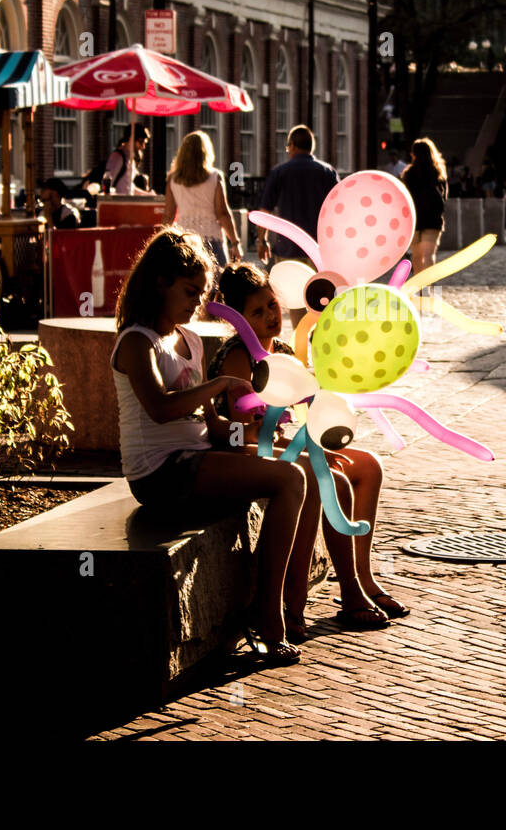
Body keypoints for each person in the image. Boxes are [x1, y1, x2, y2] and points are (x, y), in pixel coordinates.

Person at [110, 229, 315, 664]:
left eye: (201, 293)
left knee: (306, 468)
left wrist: (259, 439)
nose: (195, 303)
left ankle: (290, 607)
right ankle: (267, 615)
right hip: (161, 473)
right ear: (160, 282)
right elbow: (162, 410)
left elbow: (213, 428)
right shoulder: (136, 341)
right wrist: (220, 384)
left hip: (199, 456)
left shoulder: (190, 340)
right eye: (189, 291)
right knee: (290, 479)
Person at [207, 263, 405, 636]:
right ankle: (308, 598)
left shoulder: (281, 351)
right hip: (241, 453)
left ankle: (361, 577)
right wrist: (305, 448)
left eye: (271, 305)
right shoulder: (239, 358)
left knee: (368, 466)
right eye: (256, 312)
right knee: (330, 479)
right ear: (238, 320)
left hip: (282, 445)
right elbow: (244, 433)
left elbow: (310, 408)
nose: (269, 316)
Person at [256, 124, 339, 329]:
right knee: (321, 297)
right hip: (320, 250)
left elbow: (265, 211)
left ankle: (299, 340)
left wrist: (262, 239)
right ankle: (321, 336)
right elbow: (339, 208)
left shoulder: (280, 172)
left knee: (295, 299)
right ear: (311, 147)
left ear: (292, 146)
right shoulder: (327, 172)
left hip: (288, 248)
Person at [165, 129, 243, 269]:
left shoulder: (173, 179)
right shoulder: (214, 177)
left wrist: (162, 241)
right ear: (205, 152)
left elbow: (169, 214)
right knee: (216, 283)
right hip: (211, 237)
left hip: (185, 238)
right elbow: (222, 213)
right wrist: (235, 243)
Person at [401, 137, 449, 276]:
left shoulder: (408, 174)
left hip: (415, 219)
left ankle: (419, 289)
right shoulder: (438, 173)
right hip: (433, 219)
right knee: (428, 256)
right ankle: (429, 288)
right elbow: (444, 196)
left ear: (413, 154)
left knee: (416, 256)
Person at [104, 123, 150, 196]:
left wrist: (148, 195)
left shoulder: (130, 158)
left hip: (127, 202)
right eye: (141, 142)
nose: (143, 146)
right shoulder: (118, 157)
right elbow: (107, 184)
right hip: (118, 204)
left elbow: (129, 187)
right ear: (131, 138)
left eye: (145, 143)